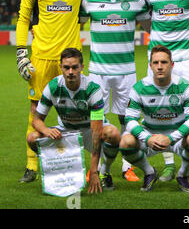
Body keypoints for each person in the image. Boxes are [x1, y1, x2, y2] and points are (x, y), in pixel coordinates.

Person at [16, 0, 97, 183]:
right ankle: (32, 167)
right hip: (41, 57)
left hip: (70, 59)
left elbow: (103, 0)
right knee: (35, 111)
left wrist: (85, 21)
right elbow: (23, 18)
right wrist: (22, 51)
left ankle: (86, 161)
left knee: (78, 110)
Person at [130, 0, 189, 182]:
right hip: (159, 60)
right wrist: (157, 37)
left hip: (187, 60)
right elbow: (143, 18)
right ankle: (169, 164)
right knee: (160, 110)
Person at [80, 0, 151, 182]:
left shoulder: (135, 1)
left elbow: (151, 26)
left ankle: (127, 167)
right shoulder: (89, 1)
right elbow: (73, 25)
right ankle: (100, 168)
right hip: (98, 72)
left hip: (126, 71)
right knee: (97, 121)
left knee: (127, 120)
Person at [26, 48, 121, 193]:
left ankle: (104, 172)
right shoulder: (52, 87)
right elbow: (37, 120)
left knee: (113, 133)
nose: (70, 72)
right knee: (33, 138)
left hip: (90, 131)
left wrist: (94, 170)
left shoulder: (92, 89)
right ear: (61, 68)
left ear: (82, 67)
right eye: (66, 67)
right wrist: (47, 131)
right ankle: (60, 169)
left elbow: (96, 132)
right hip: (66, 131)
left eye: (75, 67)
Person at [119, 45, 189, 192]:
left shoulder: (184, 86)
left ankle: (182, 174)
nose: (159, 67)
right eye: (156, 63)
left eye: (164, 62)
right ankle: (149, 172)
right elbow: (129, 120)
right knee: (126, 142)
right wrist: (147, 138)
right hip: (150, 135)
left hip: (177, 137)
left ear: (172, 65)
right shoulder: (139, 88)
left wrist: (171, 138)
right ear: (150, 66)